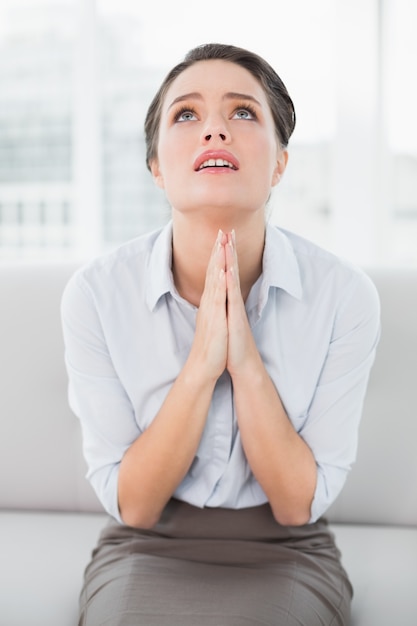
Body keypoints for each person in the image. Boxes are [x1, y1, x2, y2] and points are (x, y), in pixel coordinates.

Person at [61, 43, 381, 626]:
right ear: (156, 167)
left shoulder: (344, 297)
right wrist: (201, 366)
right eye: (186, 115)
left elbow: (294, 505)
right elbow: (134, 505)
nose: (213, 130)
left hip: (287, 546)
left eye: (242, 112)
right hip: (148, 540)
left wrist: (245, 363)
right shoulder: (95, 295)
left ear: (280, 162)